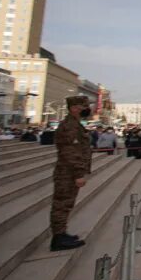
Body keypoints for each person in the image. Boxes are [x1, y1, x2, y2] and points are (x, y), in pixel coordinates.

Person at [50, 96, 93, 251]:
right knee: (61, 204)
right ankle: (58, 238)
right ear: (74, 108)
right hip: (67, 173)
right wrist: (78, 174)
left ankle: (61, 233)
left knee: (66, 204)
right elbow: (71, 152)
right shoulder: (70, 126)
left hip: (68, 172)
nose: (87, 109)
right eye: (84, 107)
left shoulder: (75, 124)